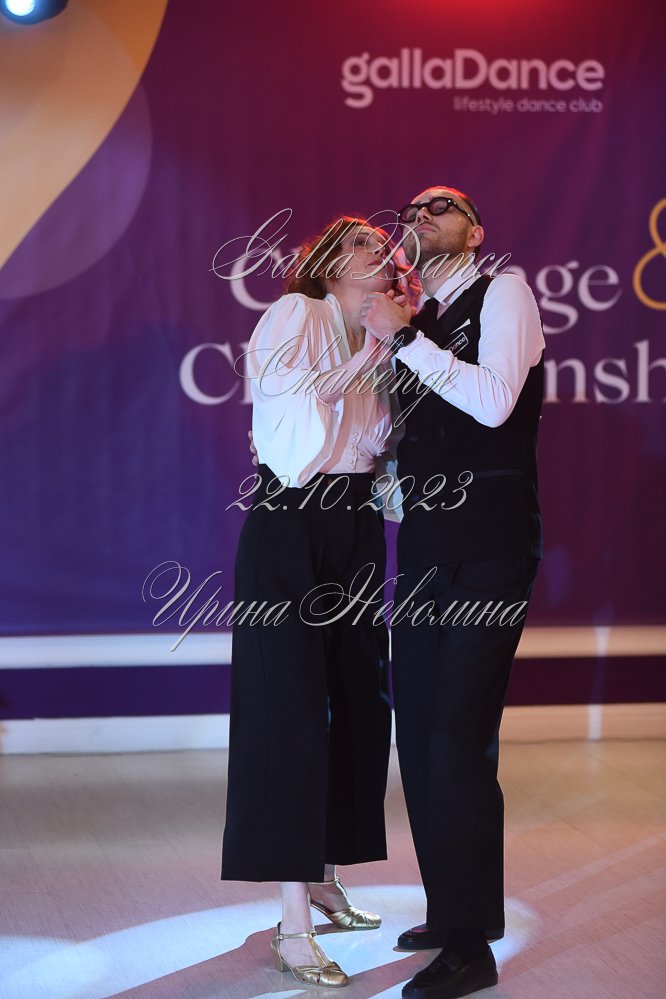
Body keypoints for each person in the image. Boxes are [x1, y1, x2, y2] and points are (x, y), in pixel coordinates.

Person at [221, 216, 417, 988]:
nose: (385, 255)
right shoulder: (294, 313)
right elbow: (295, 408)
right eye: (367, 245)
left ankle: (326, 874)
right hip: (291, 523)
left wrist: (390, 350)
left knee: (358, 706)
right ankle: (292, 920)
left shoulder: (381, 337)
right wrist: (375, 346)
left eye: (388, 250)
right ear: (330, 262)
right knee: (292, 715)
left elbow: (377, 449)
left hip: (356, 524)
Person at [360, 186, 545, 999]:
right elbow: (411, 441)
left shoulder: (504, 292)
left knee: (457, 738)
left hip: (491, 547)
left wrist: (406, 339)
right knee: (419, 733)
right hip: (427, 550)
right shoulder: (418, 317)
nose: (422, 213)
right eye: (413, 208)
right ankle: (453, 909)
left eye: (442, 205)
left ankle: (471, 947)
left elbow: (496, 403)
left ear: (475, 231)